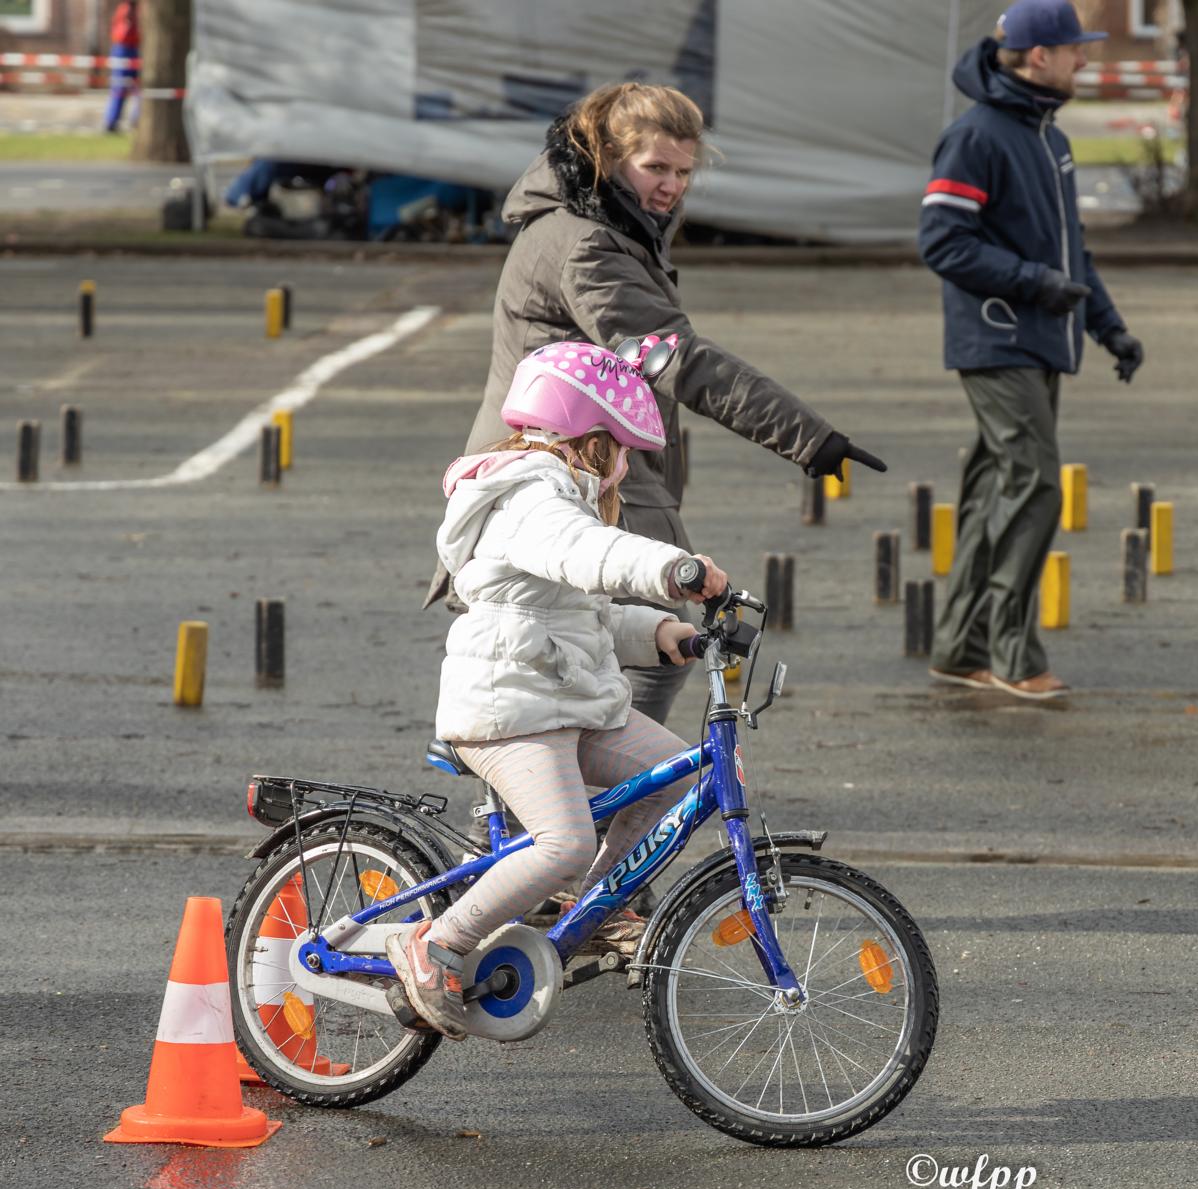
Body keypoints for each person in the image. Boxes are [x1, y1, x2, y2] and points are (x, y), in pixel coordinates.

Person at [428, 82, 884, 726]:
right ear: (607, 156)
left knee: (582, 647)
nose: (671, 185)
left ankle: (550, 804)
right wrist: (807, 437)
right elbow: (677, 359)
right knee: (649, 642)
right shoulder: (588, 244)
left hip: (587, 461)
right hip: (562, 467)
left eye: (683, 171)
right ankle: (559, 805)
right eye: (655, 168)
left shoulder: (607, 227)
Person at [393, 339, 729, 1037]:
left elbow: (582, 610)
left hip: (568, 700)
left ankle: (598, 908)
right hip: (510, 709)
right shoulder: (530, 491)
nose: (629, 466)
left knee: (679, 777)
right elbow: (585, 557)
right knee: (564, 841)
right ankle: (436, 943)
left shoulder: (560, 493)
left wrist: (659, 630)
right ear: (593, 442)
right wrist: (677, 570)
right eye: (624, 449)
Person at [918, 0, 1144, 703]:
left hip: (1039, 338)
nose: (1086, 58)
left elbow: (1071, 254)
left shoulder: (1047, 137)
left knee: (997, 488)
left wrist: (1108, 326)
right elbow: (942, 242)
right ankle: (1013, 655)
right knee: (1035, 482)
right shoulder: (977, 135)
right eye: (1076, 48)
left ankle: (959, 649)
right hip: (996, 340)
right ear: (1038, 57)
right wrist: (1033, 284)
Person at [102, 0, 140, 134]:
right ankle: (111, 121)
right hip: (123, 48)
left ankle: (137, 118)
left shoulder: (130, 8)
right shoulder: (126, 8)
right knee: (120, 87)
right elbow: (123, 32)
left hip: (132, 48)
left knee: (138, 87)